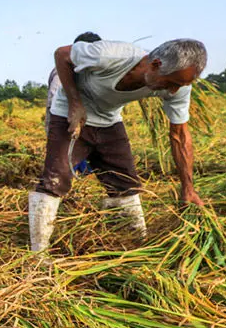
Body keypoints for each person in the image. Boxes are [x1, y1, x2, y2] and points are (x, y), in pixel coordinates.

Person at [29, 38, 207, 253]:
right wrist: (75, 102)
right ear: (156, 64)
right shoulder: (111, 55)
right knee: (55, 180)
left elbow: (180, 135)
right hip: (70, 113)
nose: (172, 91)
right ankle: (39, 254)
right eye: (171, 83)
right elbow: (62, 54)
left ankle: (136, 242)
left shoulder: (179, 88)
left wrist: (188, 189)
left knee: (126, 183)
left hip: (109, 120)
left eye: (180, 85)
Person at [45, 31, 102, 175]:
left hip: (80, 120)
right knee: (65, 157)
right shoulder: (63, 71)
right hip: (64, 120)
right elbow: (54, 99)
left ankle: (81, 175)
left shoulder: (88, 71)